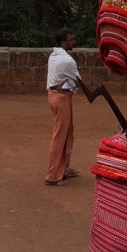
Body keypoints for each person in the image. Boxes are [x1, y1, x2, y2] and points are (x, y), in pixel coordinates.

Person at [45, 27, 81, 185]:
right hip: (61, 98)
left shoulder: (55, 55)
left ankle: (63, 168)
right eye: (71, 40)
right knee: (60, 136)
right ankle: (52, 175)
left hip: (57, 96)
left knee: (67, 133)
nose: (74, 41)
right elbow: (78, 80)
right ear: (63, 42)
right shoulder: (67, 60)